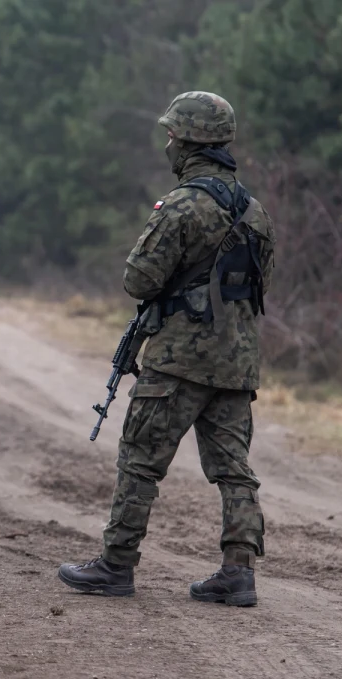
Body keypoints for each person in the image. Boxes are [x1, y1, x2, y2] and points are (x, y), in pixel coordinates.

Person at [57, 91, 276, 607]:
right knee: (234, 469)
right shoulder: (256, 212)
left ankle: (115, 565)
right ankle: (238, 573)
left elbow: (139, 279)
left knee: (139, 461)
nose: (168, 143)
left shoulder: (181, 204)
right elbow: (259, 284)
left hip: (178, 359)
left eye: (171, 135)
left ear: (190, 141)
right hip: (237, 362)